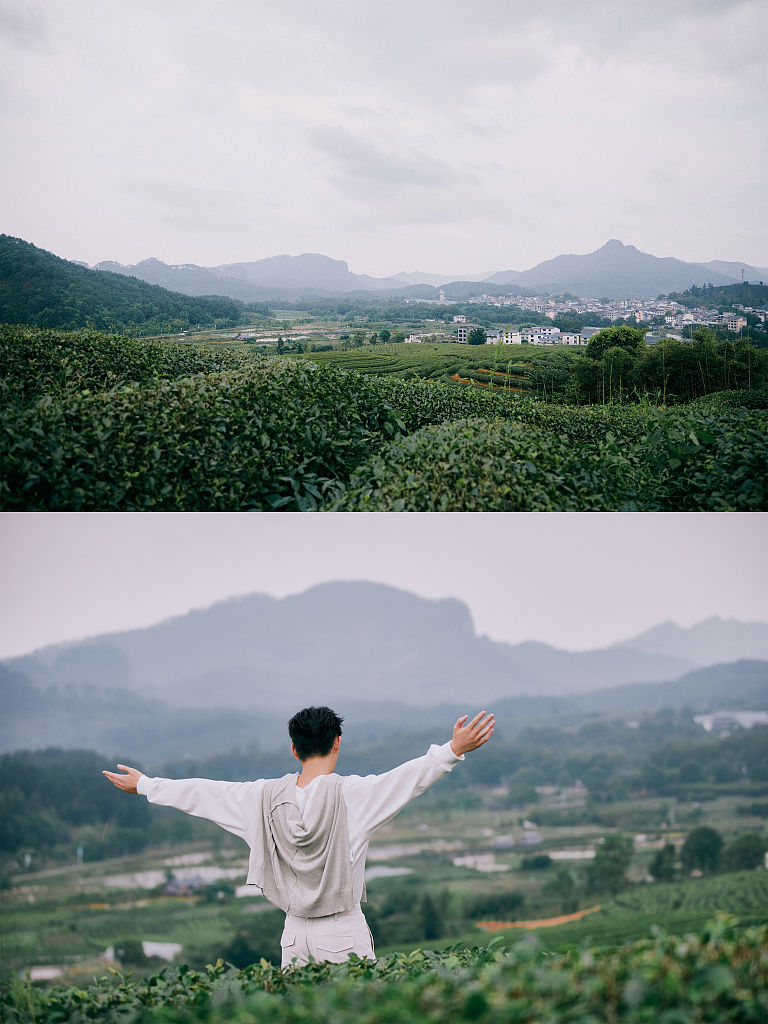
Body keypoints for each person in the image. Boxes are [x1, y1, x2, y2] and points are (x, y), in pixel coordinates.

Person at [103, 706, 495, 968]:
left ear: (294, 749)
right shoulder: (352, 796)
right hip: (341, 929)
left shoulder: (262, 798)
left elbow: (206, 793)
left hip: (293, 934)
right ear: (337, 743)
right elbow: (408, 780)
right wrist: (452, 750)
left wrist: (147, 785)